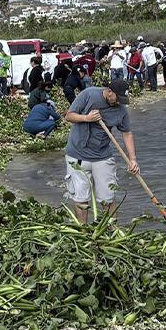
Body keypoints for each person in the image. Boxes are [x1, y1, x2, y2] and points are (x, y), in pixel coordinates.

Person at [64, 79, 139, 223]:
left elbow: (127, 133)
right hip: (78, 155)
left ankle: (112, 232)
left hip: (103, 156)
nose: (119, 103)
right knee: (81, 200)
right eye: (118, 98)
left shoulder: (121, 109)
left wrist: (133, 159)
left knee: (108, 199)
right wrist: (87, 118)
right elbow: (69, 116)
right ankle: (83, 233)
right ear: (109, 91)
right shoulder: (89, 94)